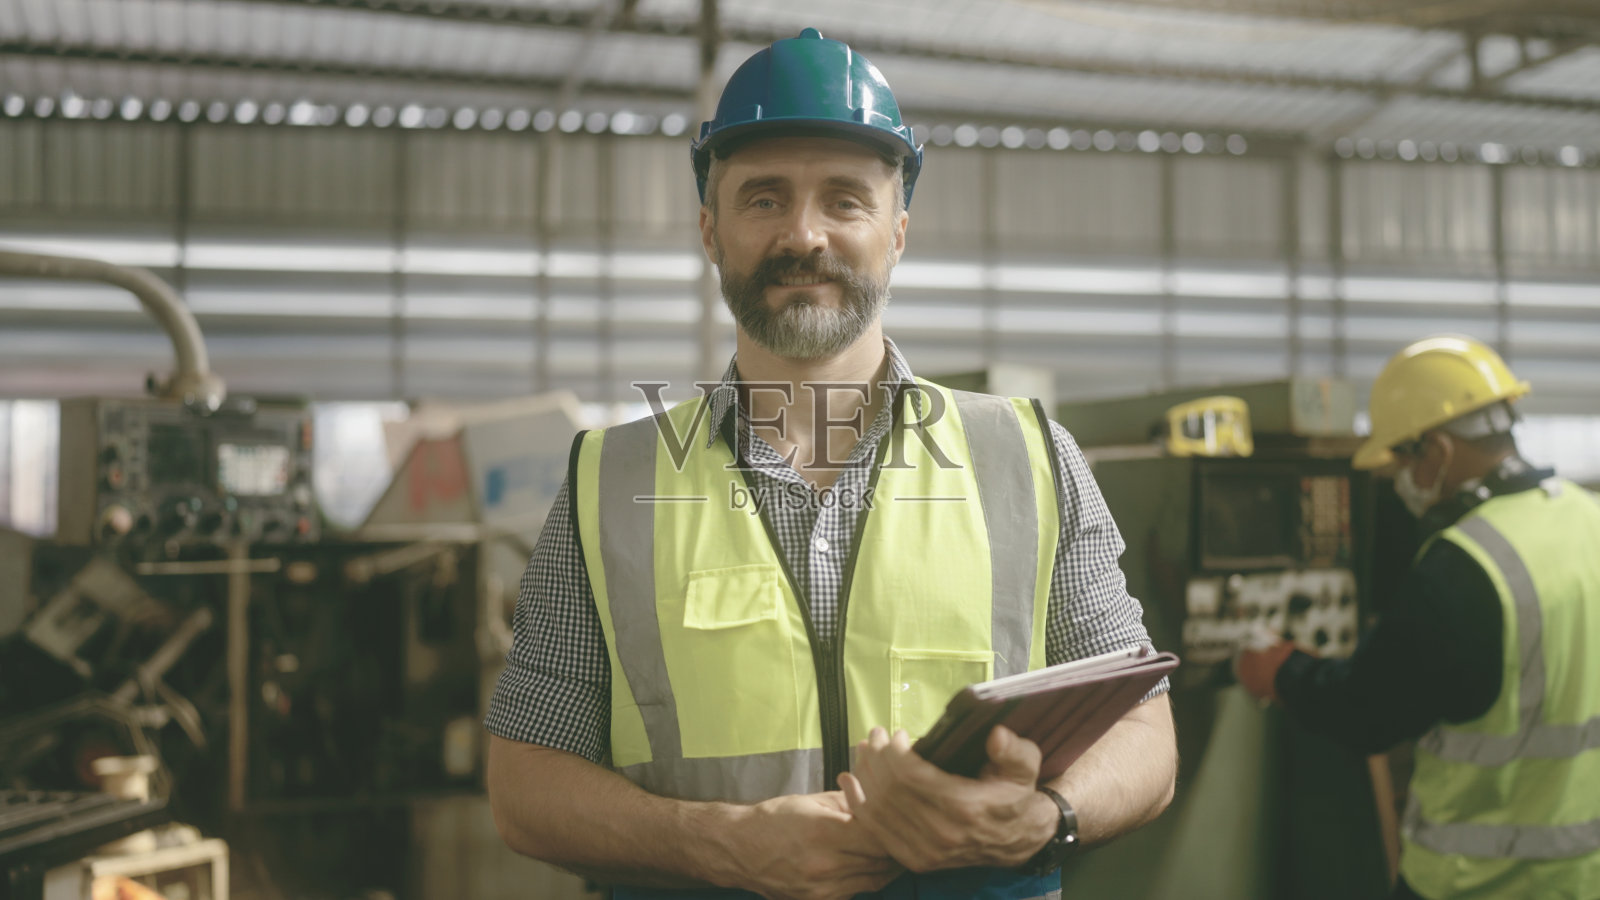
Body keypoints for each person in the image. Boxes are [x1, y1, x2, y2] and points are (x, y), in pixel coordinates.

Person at [485, 28, 1177, 900]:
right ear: (711, 229)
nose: (803, 234)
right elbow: (523, 781)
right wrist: (717, 843)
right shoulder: (611, 481)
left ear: (897, 232)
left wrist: (1051, 818)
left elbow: (1144, 730)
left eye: (845, 200)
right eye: (763, 199)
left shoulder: (1028, 456)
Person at [1234, 335, 1600, 900]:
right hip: (1581, 877)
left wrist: (1281, 671)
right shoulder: (1588, 518)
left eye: (1402, 458)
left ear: (1438, 449)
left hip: (1475, 882)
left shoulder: (1464, 564)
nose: (1400, 478)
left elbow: (1368, 712)